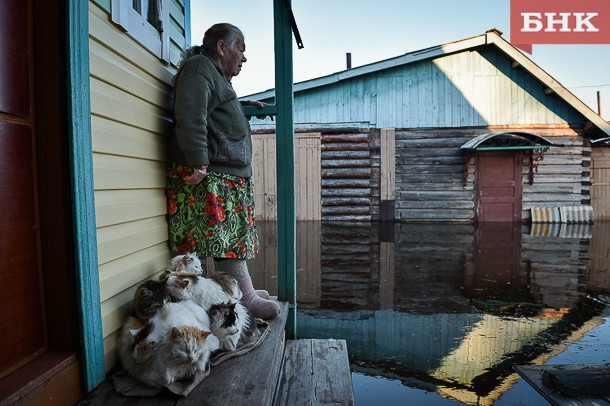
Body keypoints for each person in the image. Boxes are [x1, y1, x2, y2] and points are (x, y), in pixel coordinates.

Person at [166, 23, 280, 319]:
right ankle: (246, 298)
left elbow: (215, 109)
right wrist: (199, 160)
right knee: (224, 240)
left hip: (223, 177)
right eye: (240, 48)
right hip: (210, 175)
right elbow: (191, 115)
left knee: (227, 238)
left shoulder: (213, 75)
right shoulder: (199, 68)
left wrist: (243, 106)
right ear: (221, 47)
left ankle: (234, 292)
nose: (243, 58)